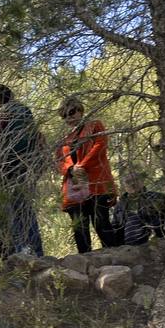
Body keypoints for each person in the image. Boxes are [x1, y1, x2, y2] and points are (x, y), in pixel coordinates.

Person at [0, 84, 45, 256]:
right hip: (25, 168)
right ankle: (34, 251)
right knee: (24, 211)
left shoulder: (8, 113)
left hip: (12, 170)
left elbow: (10, 144)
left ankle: (25, 252)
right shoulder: (23, 111)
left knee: (19, 214)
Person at [56, 97, 123, 253]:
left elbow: (100, 145)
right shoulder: (64, 140)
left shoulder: (94, 126)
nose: (69, 117)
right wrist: (70, 169)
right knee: (80, 227)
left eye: (71, 112)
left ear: (80, 110)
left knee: (101, 222)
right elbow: (58, 160)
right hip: (74, 186)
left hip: (96, 181)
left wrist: (82, 165)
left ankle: (114, 258)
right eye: (64, 115)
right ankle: (85, 263)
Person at [118, 166, 165, 246]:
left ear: (142, 181)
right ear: (124, 186)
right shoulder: (120, 205)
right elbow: (116, 227)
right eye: (128, 182)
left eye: (135, 180)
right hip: (128, 247)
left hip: (156, 241)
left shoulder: (157, 197)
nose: (132, 183)